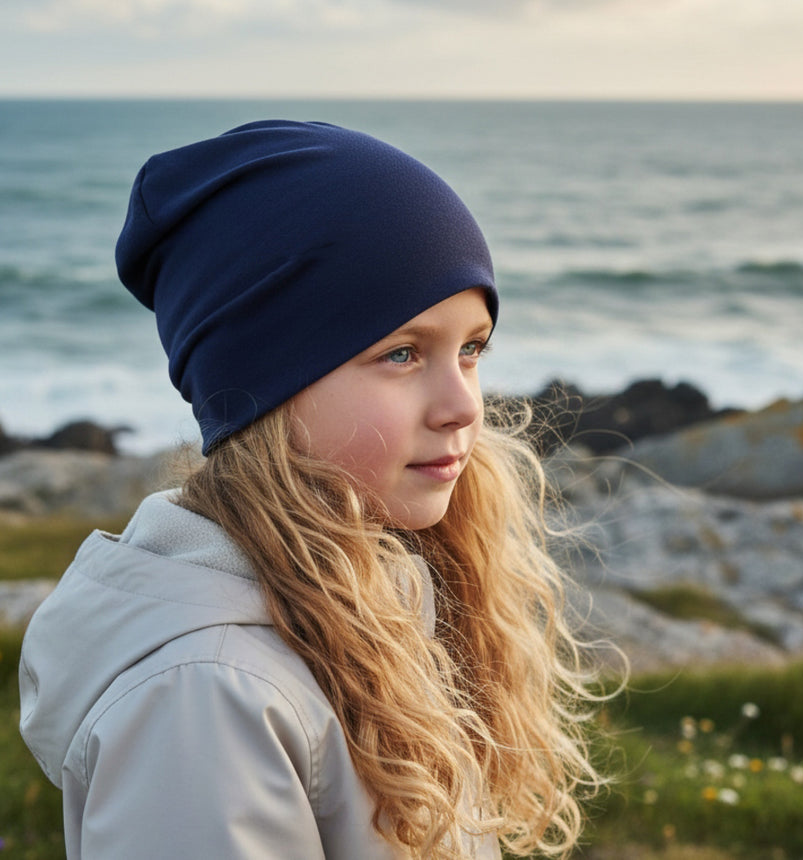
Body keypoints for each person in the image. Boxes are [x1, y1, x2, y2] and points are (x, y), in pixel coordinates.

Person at [20, 120, 604, 859]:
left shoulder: (369, 603)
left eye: (470, 350)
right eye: (400, 353)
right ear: (266, 387)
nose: (463, 406)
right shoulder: (205, 699)